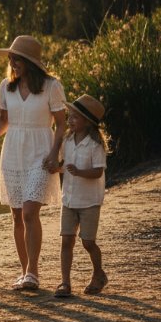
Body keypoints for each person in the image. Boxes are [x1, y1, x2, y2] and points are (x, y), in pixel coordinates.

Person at [0, 35, 66, 291]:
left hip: (40, 153)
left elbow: (61, 124)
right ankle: (25, 271)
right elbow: (4, 122)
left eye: (18, 59)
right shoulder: (7, 86)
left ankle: (33, 271)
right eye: (11, 59)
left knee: (30, 212)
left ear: (31, 62)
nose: (13, 63)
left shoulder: (52, 86)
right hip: (13, 153)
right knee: (17, 216)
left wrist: (55, 154)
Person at [55, 94, 110, 298]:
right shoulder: (67, 140)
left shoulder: (95, 145)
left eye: (75, 117)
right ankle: (65, 283)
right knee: (66, 240)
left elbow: (97, 172)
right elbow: (63, 165)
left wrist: (78, 172)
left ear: (87, 122)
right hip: (68, 199)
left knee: (87, 242)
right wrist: (55, 168)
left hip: (89, 201)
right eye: (70, 115)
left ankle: (98, 274)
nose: (70, 120)